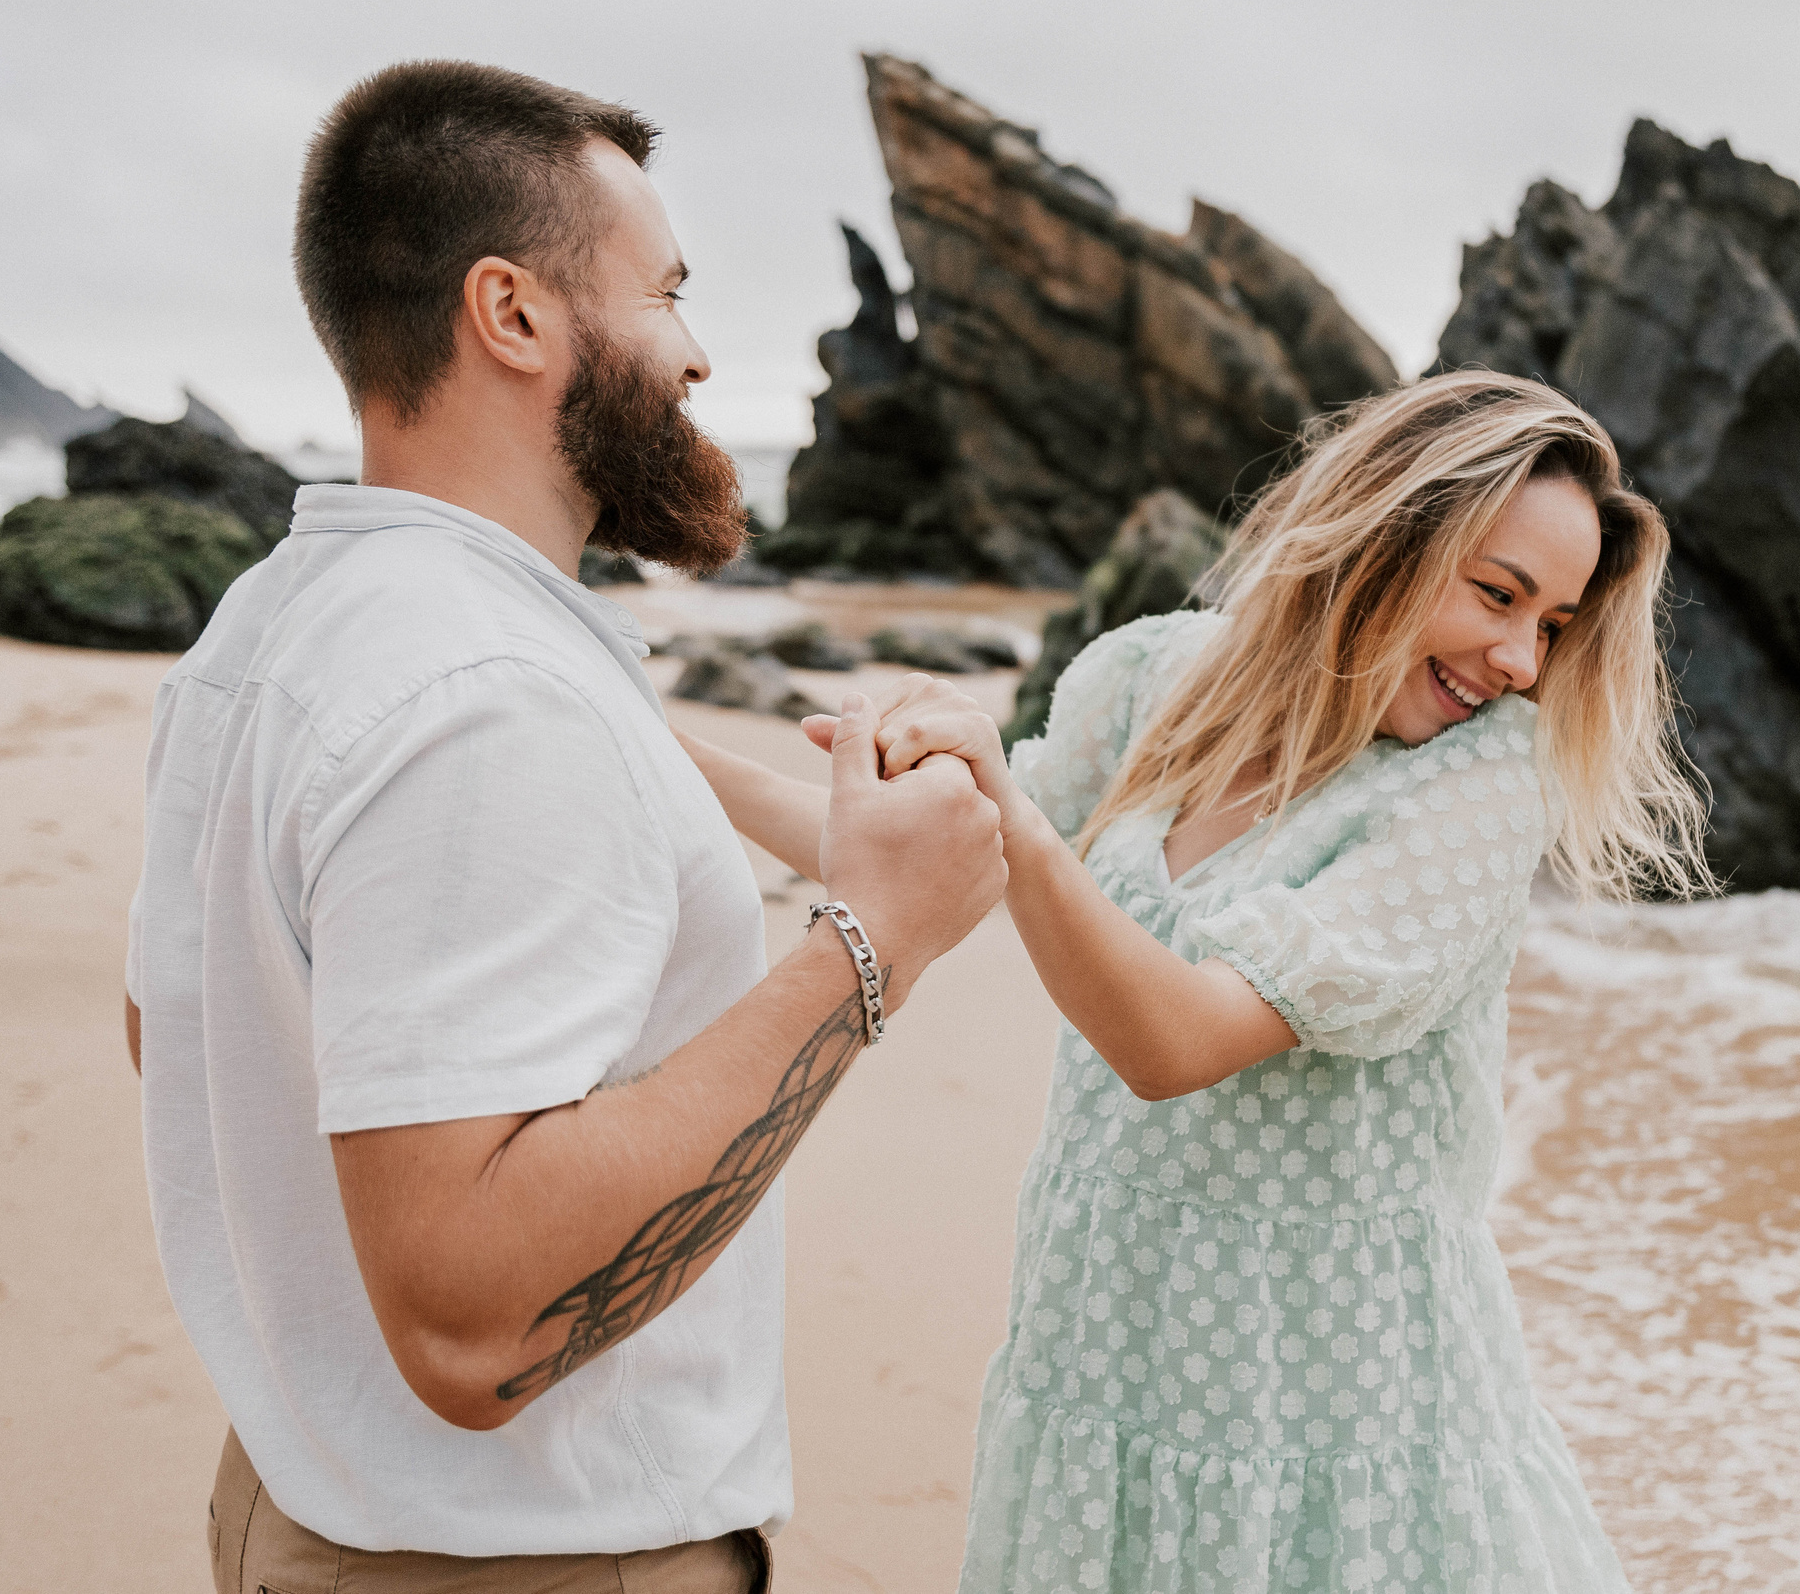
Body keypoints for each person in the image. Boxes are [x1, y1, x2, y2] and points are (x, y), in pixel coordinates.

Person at [127, 60, 1006, 1593]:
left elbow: (175, 1025)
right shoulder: (489, 693)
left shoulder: (276, 620)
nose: (700, 352)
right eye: (665, 290)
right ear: (514, 313)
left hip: (306, 1507)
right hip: (510, 1558)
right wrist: (873, 942)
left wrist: (711, 786)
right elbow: (477, 1322)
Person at [692, 371, 1710, 1589]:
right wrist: (649, 742)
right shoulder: (1156, 680)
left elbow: (1173, 1043)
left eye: (1550, 623)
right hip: (1104, 1358)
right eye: (1498, 594)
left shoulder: (1478, 788)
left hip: (1329, 1422)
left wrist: (1006, 808)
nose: (1517, 659)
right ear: (1386, 532)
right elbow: (915, 850)